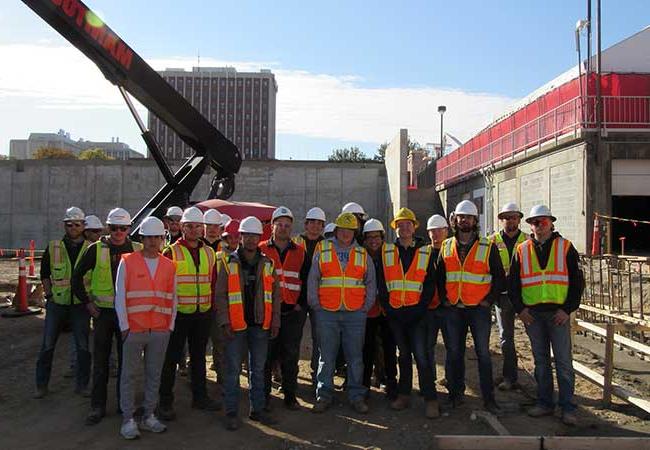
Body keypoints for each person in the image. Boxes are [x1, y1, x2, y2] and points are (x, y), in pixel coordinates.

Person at [509, 205, 582, 426]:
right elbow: (512, 284)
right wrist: (521, 309)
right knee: (540, 362)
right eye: (533, 222)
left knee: (563, 362)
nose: (537, 226)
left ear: (551, 223)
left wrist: (566, 309)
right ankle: (544, 402)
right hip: (533, 316)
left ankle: (567, 406)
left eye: (541, 222)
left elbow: (577, 283)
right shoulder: (522, 250)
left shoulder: (566, 247)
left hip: (558, 314)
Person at [72, 208, 143, 425]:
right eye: (114, 228)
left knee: (127, 364)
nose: (118, 232)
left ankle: (125, 405)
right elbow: (76, 277)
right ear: (107, 228)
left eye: (123, 228)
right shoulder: (96, 249)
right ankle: (97, 406)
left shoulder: (138, 249)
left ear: (129, 229)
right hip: (104, 315)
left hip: (128, 316)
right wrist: (88, 303)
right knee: (101, 363)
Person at [436, 200, 505, 414]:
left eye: (469, 217)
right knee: (454, 353)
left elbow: (499, 277)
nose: (464, 220)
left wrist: (488, 300)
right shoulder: (446, 246)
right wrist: (444, 298)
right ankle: (455, 395)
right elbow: (438, 275)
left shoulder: (487, 246)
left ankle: (488, 399)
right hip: (454, 309)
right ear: (455, 219)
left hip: (478, 309)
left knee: (483, 354)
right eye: (461, 217)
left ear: (475, 221)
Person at [215, 216, 281, 430]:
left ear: (259, 237)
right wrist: (224, 322)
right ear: (240, 237)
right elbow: (220, 295)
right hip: (235, 326)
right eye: (247, 235)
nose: (251, 239)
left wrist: (275, 322)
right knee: (233, 370)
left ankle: (257, 410)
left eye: (255, 236)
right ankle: (231, 412)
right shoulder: (228, 262)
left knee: (258, 370)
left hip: (260, 325)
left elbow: (276, 295)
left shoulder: (268, 263)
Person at [115, 216, 177, 440]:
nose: (152, 241)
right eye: (148, 237)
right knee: (129, 375)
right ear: (142, 239)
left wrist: (169, 326)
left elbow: (173, 298)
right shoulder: (128, 261)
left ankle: (149, 415)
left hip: (160, 330)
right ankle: (128, 419)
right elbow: (120, 296)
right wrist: (124, 327)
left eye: (156, 237)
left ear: (163, 239)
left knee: (154, 375)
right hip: (134, 329)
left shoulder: (169, 266)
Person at [308, 212, 376, 414]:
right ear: (336, 231)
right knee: (326, 356)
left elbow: (371, 283)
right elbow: (313, 278)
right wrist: (315, 304)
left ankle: (356, 396)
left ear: (355, 232)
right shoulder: (323, 248)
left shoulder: (363, 254)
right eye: (342, 230)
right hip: (327, 312)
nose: (346, 234)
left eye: (350, 230)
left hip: (355, 314)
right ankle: (324, 395)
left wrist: (365, 307)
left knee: (355, 357)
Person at [158, 207, 220, 420]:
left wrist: (210, 307)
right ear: (182, 227)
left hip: (202, 313)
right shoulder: (170, 252)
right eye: (189, 226)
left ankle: (200, 397)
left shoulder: (210, 252)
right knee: (171, 358)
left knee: (198, 357)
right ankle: (165, 402)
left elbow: (212, 282)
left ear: (202, 228)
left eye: (197, 226)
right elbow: (163, 285)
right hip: (179, 314)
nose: (194, 230)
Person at [377, 208, 438, 418]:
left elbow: (430, 284)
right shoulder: (387, 252)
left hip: (418, 314)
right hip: (395, 314)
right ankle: (404, 395)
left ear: (414, 227)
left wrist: (420, 308)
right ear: (395, 228)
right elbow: (381, 282)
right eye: (400, 225)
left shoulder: (425, 251)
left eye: (408, 224)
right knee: (402, 355)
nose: (404, 228)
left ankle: (430, 398)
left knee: (421, 356)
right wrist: (388, 306)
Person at [35, 207, 90, 399]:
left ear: (83, 226)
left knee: (83, 346)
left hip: (80, 304)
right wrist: (49, 296)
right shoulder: (54, 246)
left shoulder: (91, 248)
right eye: (69, 224)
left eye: (77, 224)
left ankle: (82, 385)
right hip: (57, 303)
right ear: (64, 225)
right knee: (48, 346)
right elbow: (44, 274)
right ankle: (41, 385)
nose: (73, 228)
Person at [262, 207, 308, 410]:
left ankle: (290, 396)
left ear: (292, 228)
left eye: (287, 226)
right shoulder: (262, 249)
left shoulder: (300, 252)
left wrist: (301, 304)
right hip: (267, 312)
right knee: (266, 357)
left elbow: (307, 280)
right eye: (279, 224)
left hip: (291, 313)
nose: (283, 228)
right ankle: (263, 397)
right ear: (272, 226)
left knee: (291, 357)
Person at [490, 202, 528, 391]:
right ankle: (509, 376)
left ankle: (539, 379)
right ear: (501, 220)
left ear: (519, 219)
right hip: (503, 296)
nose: (510, 221)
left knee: (535, 337)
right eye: (507, 218)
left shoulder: (528, 240)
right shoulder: (492, 242)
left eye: (514, 217)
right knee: (506, 338)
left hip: (525, 296)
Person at [360, 219, 398, 400]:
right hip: (368, 309)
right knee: (367, 349)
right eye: (369, 237)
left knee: (390, 349)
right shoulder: (359, 255)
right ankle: (364, 385)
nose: (373, 240)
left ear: (382, 237)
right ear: (364, 239)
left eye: (377, 237)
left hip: (387, 309)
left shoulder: (390, 254)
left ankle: (391, 383)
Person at [292, 207, 326, 385]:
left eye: (319, 223)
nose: (315, 226)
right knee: (293, 338)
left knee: (319, 339)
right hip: (298, 299)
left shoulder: (328, 246)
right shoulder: (295, 243)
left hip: (319, 299)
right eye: (312, 222)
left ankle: (316, 376)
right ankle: (290, 374)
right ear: (305, 224)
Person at [424, 214, 453, 391]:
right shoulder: (423, 252)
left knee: (452, 346)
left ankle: (450, 378)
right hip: (429, 307)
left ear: (446, 231)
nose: (435, 234)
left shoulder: (452, 250)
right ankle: (430, 380)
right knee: (428, 346)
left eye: (438, 230)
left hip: (448, 306)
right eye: (431, 231)